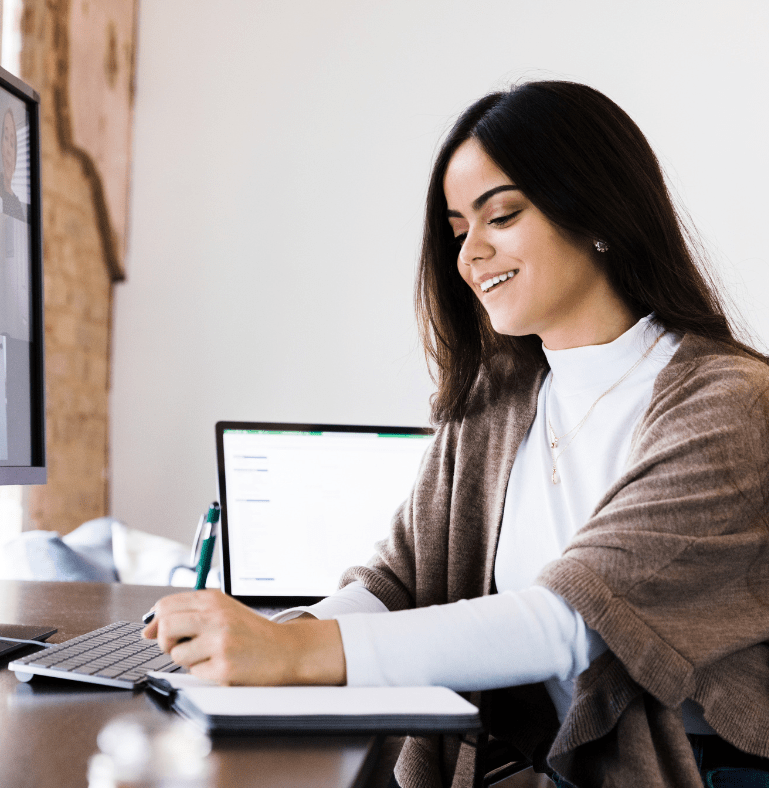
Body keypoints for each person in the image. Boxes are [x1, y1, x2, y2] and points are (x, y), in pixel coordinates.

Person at [143, 81, 769, 788]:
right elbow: (400, 580)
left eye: (500, 216)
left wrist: (299, 655)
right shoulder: (497, 400)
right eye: (457, 229)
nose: (471, 254)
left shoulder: (730, 404)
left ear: (598, 211)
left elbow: (572, 621)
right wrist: (282, 636)